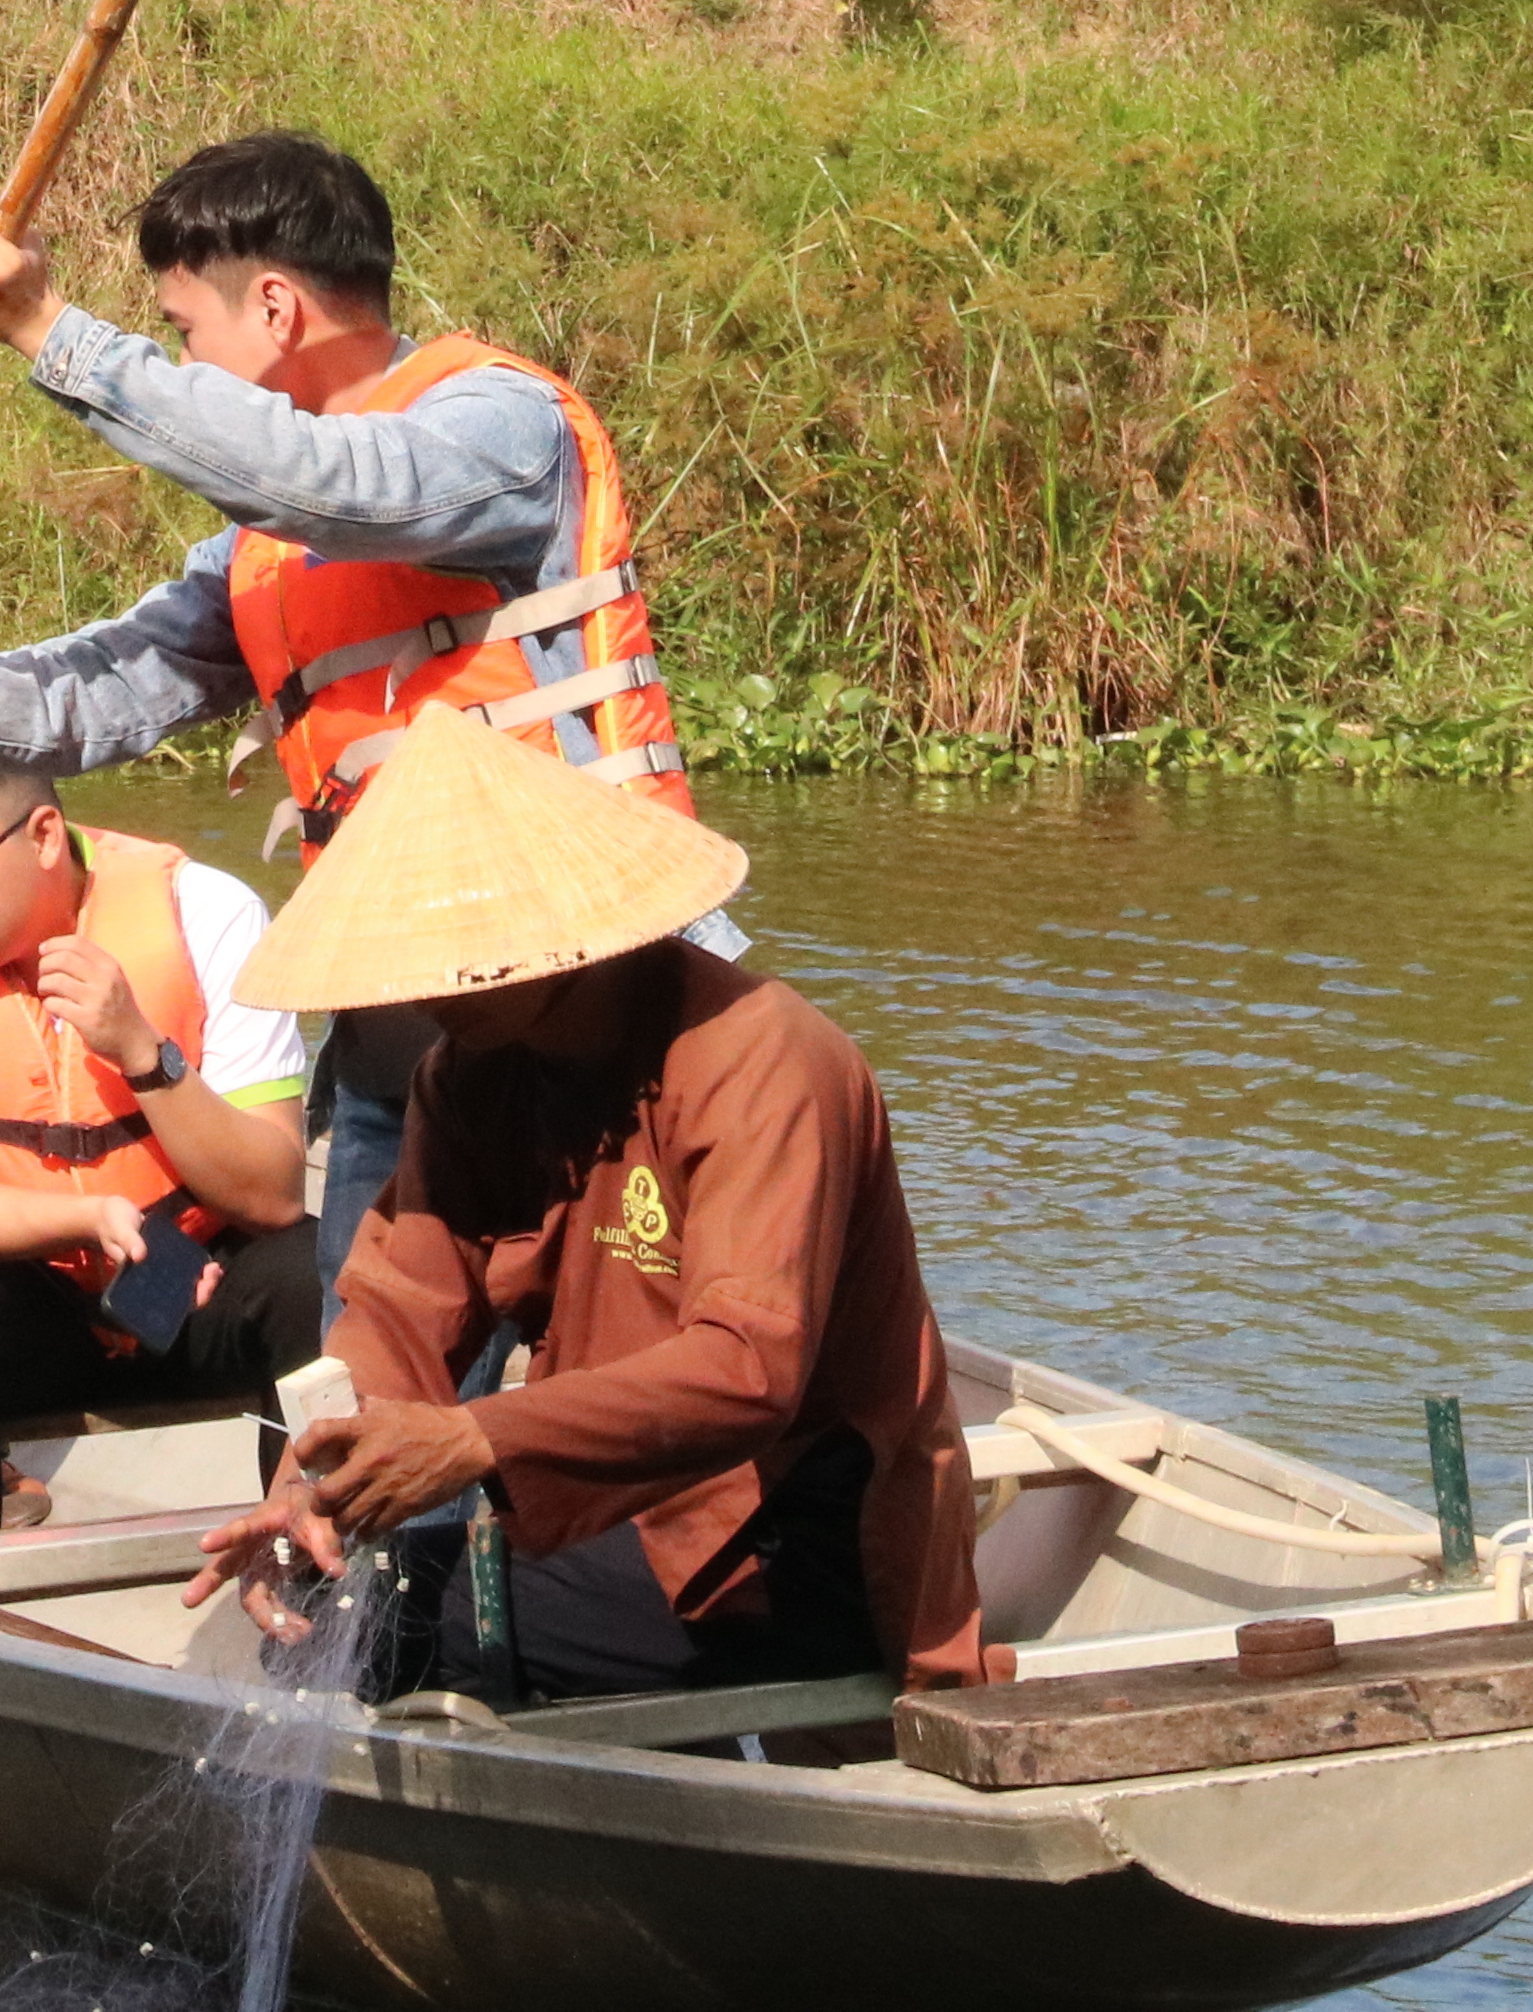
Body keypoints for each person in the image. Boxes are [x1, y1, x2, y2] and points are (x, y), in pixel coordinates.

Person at [0, 130, 705, 1288]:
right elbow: (105, 690)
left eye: (182, 332)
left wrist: (48, 333)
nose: (184, 357)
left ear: (273, 307)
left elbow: (338, 485)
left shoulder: (499, 428)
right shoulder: (258, 552)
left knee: (617, 1355)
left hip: (588, 986)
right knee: (369, 1393)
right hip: (402, 1015)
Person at [192, 704, 987, 1704]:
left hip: (787, 1529)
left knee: (404, 1630)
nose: (412, 991)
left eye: (443, 953)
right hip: (605, 1505)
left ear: (551, 939)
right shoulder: (466, 1073)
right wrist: (314, 1476)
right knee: (325, 1603)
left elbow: (749, 1367)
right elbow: (399, 1311)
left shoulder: (759, 1056)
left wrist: (478, 1436)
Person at [0, 718, 322, 1543]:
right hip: (33, 1302)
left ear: (45, 835)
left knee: (317, 1271)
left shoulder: (205, 911)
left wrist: (141, 1051)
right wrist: (84, 1219)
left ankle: (316, 1576)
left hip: (198, 1282)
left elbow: (272, 1193)